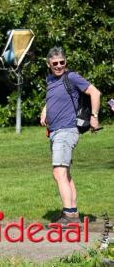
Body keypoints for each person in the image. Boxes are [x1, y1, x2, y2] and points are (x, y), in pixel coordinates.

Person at [39, 47, 101, 225]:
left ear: (66, 62)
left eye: (62, 63)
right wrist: (45, 110)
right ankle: (72, 211)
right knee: (64, 173)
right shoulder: (50, 79)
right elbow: (53, 98)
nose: (59, 66)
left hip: (66, 131)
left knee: (59, 172)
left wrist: (94, 117)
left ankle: (69, 215)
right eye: (55, 63)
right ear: (48, 64)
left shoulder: (72, 77)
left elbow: (95, 92)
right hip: (56, 131)